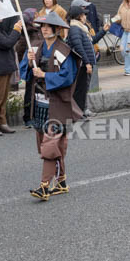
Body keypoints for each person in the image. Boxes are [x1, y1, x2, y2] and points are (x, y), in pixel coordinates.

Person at [20, 12, 84, 200]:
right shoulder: (36, 47)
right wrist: (27, 59)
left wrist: (45, 76)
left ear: (57, 29)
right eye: (42, 26)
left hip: (57, 105)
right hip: (39, 103)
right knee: (46, 146)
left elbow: (68, 76)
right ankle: (62, 181)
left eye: (49, 26)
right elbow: (25, 73)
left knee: (49, 147)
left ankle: (44, 187)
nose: (44, 29)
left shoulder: (64, 51)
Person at [66, 1, 98, 117]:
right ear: (79, 16)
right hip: (82, 65)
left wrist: (104, 31)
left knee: (83, 88)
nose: (85, 16)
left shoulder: (80, 28)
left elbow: (91, 42)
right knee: (81, 88)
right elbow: (78, 46)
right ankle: (79, 112)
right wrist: (87, 62)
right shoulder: (75, 28)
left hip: (85, 63)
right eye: (84, 14)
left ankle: (82, 110)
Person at [15, 9, 42, 129]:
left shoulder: (38, 29)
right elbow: (19, 49)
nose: (37, 16)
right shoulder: (27, 32)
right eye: (35, 15)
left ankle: (36, 116)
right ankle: (28, 117)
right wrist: (25, 62)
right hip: (31, 66)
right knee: (30, 92)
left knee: (38, 91)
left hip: (40, 65)